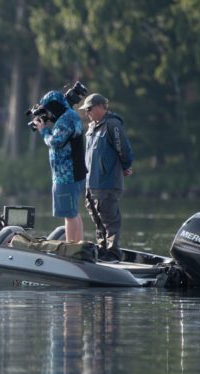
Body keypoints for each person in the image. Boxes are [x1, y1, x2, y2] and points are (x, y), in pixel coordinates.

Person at [79, 93, 134, 261]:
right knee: (98, 221)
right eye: (86, 110)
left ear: (101, 107)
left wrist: (125, 166)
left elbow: (123, 149)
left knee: (110, 221)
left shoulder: (113, 125)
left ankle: (113, 253)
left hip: (107, 183)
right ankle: (103, 251)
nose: (87, 112)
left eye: (89, 109)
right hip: (91, 183)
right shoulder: (91, 127)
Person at [31, 90, 86, 242]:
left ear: (54, 106)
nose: (48, 114)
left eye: (48, 109)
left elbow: (55, 142)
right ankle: (77, 247)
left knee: (69, 215)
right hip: (70, 174)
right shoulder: (68, 116)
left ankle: (71, 248)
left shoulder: (67, 119)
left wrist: (43, 131)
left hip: (67, 175)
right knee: (73, 213)